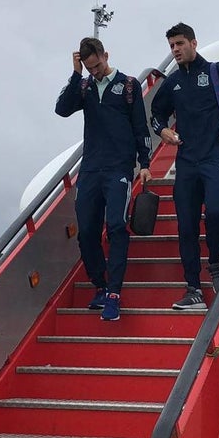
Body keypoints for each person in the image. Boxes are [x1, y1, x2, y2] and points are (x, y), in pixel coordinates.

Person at [150, 23, 219, 309]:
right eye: (172, 46)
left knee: (218, 210)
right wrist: (162, 130)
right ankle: (193, 288)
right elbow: (156, 114)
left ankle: (214, 264)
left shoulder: (216, 71)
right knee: (186, 225)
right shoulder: (172, 82)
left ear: (194, 43)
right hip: (186, 161)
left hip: (217, 157)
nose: (175, 50)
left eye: (180, 44)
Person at [54, 37, 151, 321]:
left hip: (119, 169)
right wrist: (75, 75)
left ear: (105, 55)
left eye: (97, 66)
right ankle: (100, 284)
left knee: (117, 225)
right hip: (90, 169)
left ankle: (114, 294)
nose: (94, 72)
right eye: (89, 68)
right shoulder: (83, 87)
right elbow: (62, 109)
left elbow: (140, 127)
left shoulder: (129, 85)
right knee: (86, 232)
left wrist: (144, 163)